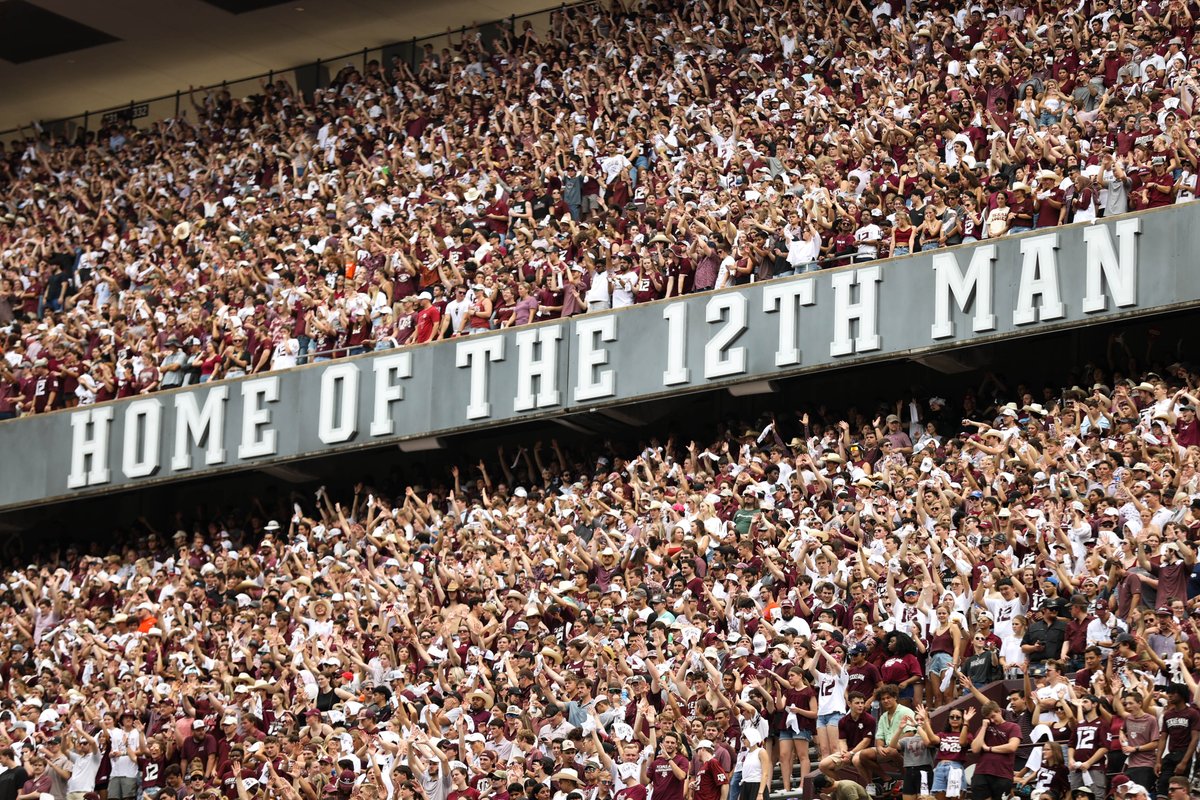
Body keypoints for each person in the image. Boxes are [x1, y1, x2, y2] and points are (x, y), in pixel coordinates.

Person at [970, 701, 1022, 800]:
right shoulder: (984, 728)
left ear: (999, 711)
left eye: (993, 716)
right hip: (982, 771)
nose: (992, 720)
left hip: (1003, 773)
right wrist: (984, 727)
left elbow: (1012, 747)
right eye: (989, 718)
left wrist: (989, 749)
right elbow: (975, 749)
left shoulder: (1013, 726)